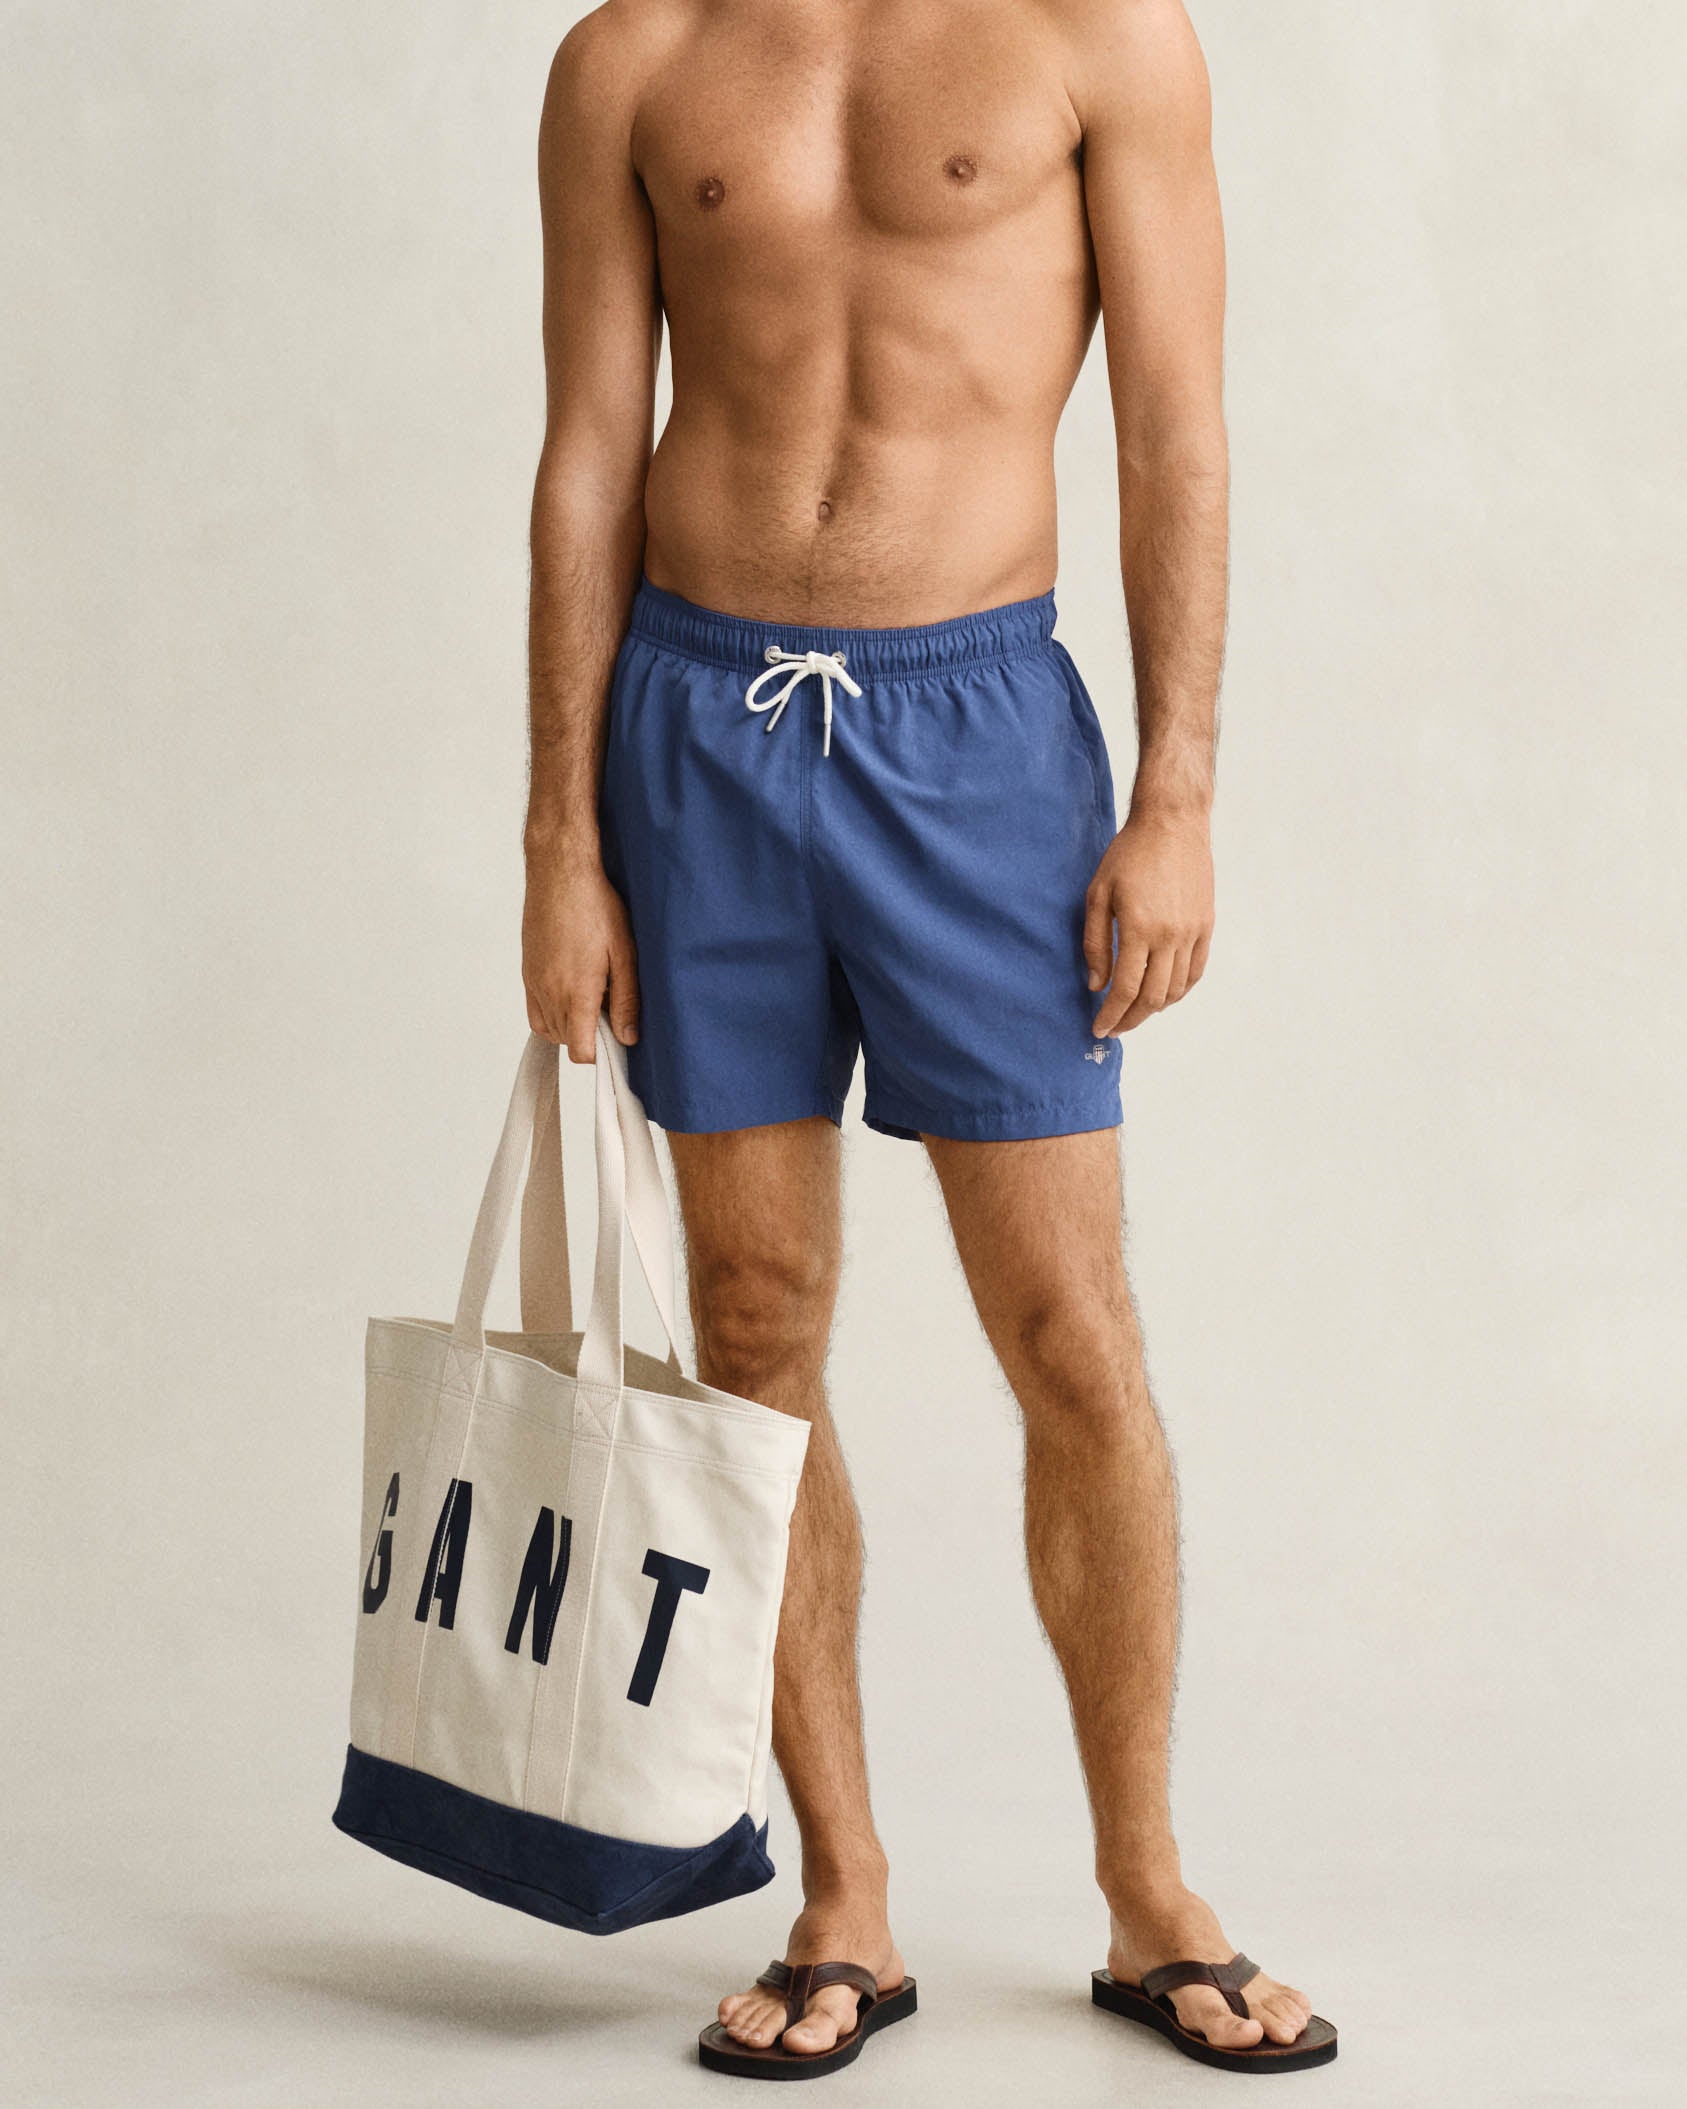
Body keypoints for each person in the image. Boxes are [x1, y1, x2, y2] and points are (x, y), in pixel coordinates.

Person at [520, 0, 1335, 2076]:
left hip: (979, 738)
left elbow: (1173, 426)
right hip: (697, 737)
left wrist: (1177, 792)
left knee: (1070, 1330)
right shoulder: (633, 58)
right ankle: (844, 1891)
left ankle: (1148, 1887)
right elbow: (589, 451)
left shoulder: (1098, 38)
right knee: (754, 1323)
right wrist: (559, 836)